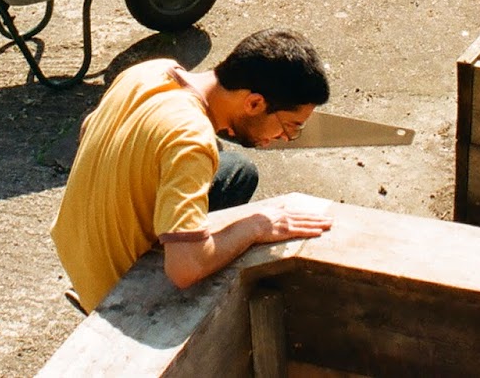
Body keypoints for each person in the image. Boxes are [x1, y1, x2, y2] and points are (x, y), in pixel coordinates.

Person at [50, 28, 332, 313]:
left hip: (77, 255)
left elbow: (87, 127)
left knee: (238, 173)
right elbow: (185, 268)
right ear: (254, 103)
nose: (284, 138)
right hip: (115, 295)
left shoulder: (151, 71)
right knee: (212, 258)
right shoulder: (193, 139)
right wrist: (256, 227)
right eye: (290, 127)